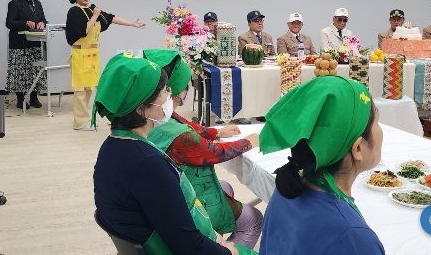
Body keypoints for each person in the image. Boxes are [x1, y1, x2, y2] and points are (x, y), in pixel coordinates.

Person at [92, 53, 240, 255]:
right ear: (142, 109)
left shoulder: (112, 146)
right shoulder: (148, 165)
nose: (169, 94)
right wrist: (227, 252)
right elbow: (188, 245)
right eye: (164, 91)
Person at [144, 49, 263, 249]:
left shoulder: (152, 117)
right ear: (174, 90)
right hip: (184, 202)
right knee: (254, 219)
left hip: (167, 194)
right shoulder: (180, 135)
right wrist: (248, 142)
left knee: (225, 187)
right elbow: (213, 152)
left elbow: (187, 125)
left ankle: (215, 240)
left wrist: (216, 132)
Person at [259, 76, 385, 254]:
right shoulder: (354, 237)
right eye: (376, 122)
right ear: (358, 148)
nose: (380, 129)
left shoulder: (287, 187)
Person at [65, 0, 145, 130]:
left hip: (92, 55)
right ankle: (80, 123)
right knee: (81, 91)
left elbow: (111, 18)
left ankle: (88, 120)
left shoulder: (91, 10)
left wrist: (132, 23)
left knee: (90, 89)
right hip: (80, 55)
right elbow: (84, 30)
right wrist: (95, 15)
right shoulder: (74, 11)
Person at [5, 0, 47, 110]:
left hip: (35, 43)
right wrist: (25, 23)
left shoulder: (37, 3)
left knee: (34, 71)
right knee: (21, 72)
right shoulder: (14, 3)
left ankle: (34, 98)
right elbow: (9, 23)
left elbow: (43, 19)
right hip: (19, 44)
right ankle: (21, 99)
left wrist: (42, 23)